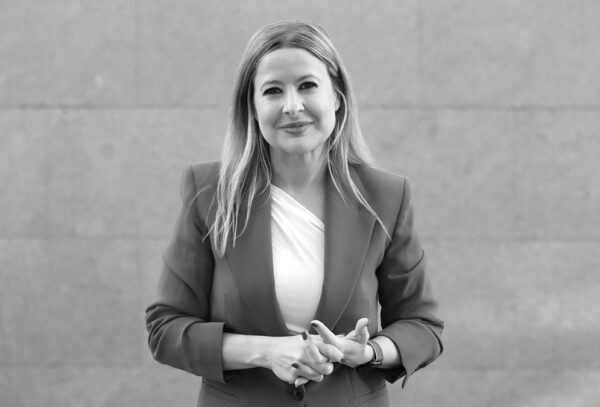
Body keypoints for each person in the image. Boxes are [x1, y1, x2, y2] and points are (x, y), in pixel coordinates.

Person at [145, 21, 443, 407]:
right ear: (253, 108)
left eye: (307, 85)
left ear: (337, 97)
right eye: (273, 91)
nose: (292, 106)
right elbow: (166, 328)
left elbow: (422, 324)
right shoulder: (209, 193)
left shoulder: (386, 197)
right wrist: (267, 352)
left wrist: (368, 352)